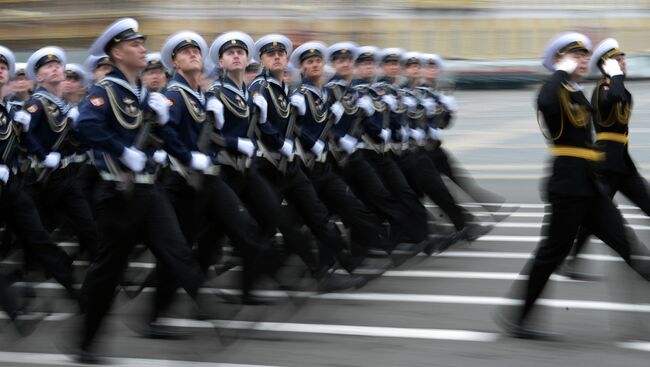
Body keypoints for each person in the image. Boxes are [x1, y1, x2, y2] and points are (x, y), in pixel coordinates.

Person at [493, 32, 650, 339]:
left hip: (590, 186)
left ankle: (634, 325)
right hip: (567, 186)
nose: (582, 61)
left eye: (584, 56)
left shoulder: (576, 92)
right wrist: (560, 71)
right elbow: (547, 102)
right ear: (558, 60)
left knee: (626, 244)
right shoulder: (554, 89)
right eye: (575, 56)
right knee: (552, 253)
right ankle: (518, 318)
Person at [71, 18, 209, 362]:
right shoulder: (105, 90)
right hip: (118, 195)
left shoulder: (142, 93)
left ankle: (210, 316)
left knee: (177, 249)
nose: (142, 48)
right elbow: (85, 126)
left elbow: (159, 134)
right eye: (135, 45)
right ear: (117, 53)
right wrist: (122, 152)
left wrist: (176, 148)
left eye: (142, 42)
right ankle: (86, 342)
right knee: (109, 270)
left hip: (150, 191)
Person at [560, 38, 650, 280]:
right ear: (606, 65)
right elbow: (615, 98)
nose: (623, 62)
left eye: (623, 58)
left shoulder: (618, 87)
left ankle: (570, 258)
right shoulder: (603, 89)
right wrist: (615, 75)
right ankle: (569, 258)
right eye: (618, 59)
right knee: (594, 218)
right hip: (606, 164)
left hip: (622, 163)